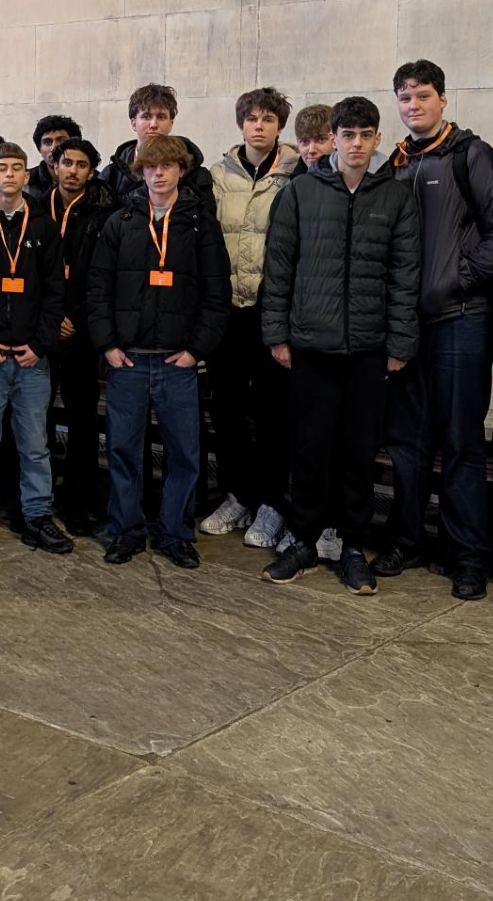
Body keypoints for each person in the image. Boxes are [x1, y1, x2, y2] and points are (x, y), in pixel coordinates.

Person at [260, 97, 420, 593]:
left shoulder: (395, 196)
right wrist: (277, 334)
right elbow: (279, 266)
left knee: (358, 451)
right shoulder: (302, 192)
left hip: (369, 348)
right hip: (312, 344)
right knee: (310, 447)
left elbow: (404, 275)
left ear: (376, 139)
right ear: (334, 138)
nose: (356, 144)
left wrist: (400, 341)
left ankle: (353, 545)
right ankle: (304, 540)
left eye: (365, 135)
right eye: (347, 135)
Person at [378, 61, 493, 601]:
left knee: (460, 441)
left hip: (460, 320)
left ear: (443, 100)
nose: (414, 106)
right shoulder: (395, 162)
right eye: (405, 98)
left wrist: (459, 280)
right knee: (407, 442)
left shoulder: (470, 155)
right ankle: (407, 539)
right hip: (406, 325)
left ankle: (466, 554)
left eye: (423, 96)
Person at [87, 134, 230, 568]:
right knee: (122, 450)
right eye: (151, 166)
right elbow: (98, 288)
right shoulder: (121, 222)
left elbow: (216, 295)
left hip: (177, 362)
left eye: (167, 166)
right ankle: (126, 530)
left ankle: (175, 532)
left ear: (181, 170)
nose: (159, 174)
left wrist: (195, 350)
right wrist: (108, 345)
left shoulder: (201, 225)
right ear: (141, 172)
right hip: (128, 360)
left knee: (184, 454)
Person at [0, 142, 73, 556]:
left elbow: (55, 293)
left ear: (27, 176)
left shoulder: (44, 227)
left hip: (31, 358)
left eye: (17, 167)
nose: (9, 174)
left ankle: (37, 516)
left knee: (35, 444)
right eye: (1, 167)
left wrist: (40, 344)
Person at [201, 87, 302, 550]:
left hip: (272, 310)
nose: (259, 126)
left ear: (280, 125)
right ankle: (238, 494)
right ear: (241, 124)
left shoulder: (296, 173)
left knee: (273, 412)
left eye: (268, 119)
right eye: (251, 119)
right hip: (227, 310)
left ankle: (271, 503)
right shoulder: (217, 175)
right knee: (227, 409)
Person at [45, 135, 114, 532]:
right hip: (44, 328)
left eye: (81, 165)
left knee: (82, 419)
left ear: (91, 172)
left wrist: (77, 318)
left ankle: (78, 501)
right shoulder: (38, 206)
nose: (73, 171)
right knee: (36, 418)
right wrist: (52, 316)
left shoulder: (104, 213)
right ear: (54, 167)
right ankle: (37, 497)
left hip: (83, 331)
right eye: (67, 163)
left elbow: (104, 277)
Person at [101, 83, 216, 214]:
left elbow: (207, 220)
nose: (154, 125)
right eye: (146, 116)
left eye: (161, 117)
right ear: (133, 123)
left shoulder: (196, 174)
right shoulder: (113, 174)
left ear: (171, 124)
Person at [26, 114, 81, 204]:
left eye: (61, 141)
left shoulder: (93, 180)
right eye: (47, 142)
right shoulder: (26, 181)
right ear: (39, 149)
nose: (54, 147)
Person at [293, 104, 335, 171]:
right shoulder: (290, 174)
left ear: (336, 140)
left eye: (321, 139)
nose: (311, 150)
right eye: (305, 141)